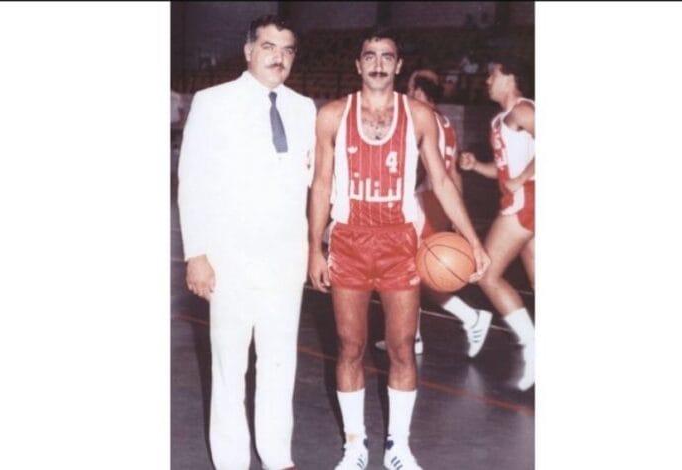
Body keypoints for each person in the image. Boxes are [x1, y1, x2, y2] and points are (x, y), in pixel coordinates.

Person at [308, 28, 489, 470]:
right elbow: (322, 184)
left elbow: (441, 181)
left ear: (398, 64)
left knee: (403, 347)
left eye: (386, 56)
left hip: (399, 242)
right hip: (348, 239)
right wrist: (314, 247)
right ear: (358, 64)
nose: (378, 64)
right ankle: (355, 445)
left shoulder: (420, 115)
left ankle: (398, 447)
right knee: (350, 347)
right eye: (369, 56)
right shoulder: (333, 115)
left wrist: (473, 240)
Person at [177, 15, 316, 470]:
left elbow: (310, 180)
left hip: (285, 259)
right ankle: (232, 460)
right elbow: (192, 180)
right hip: (229, 257)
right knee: (229, 366)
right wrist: (196, 254)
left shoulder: (304, 108)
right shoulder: (213, 102)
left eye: (287, 50)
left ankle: (277, 455)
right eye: (269, 47)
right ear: (248, 51)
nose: (279, 58)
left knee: (279, 362)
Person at [374, 69, 493, 358]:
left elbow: (421, 168)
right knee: (419, 271)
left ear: (418, 92)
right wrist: (456, 216)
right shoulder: (446, 123)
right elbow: (453, 174)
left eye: (409, 88)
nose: (406, 93)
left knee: (406, 270)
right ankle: (412, 335)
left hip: (423, 202)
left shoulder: (418, 118)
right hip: (439, 204)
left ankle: (467, 318)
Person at [459, 56, 535, 391]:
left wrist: (523, 177)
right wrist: (476, 166)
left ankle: (533, 348)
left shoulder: (523, 110)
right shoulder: (500, 120)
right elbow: (503, 172)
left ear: (510, 77)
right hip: (522, 200)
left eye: (492, 74)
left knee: (487, 273)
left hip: (527, 201)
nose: (487, 80)